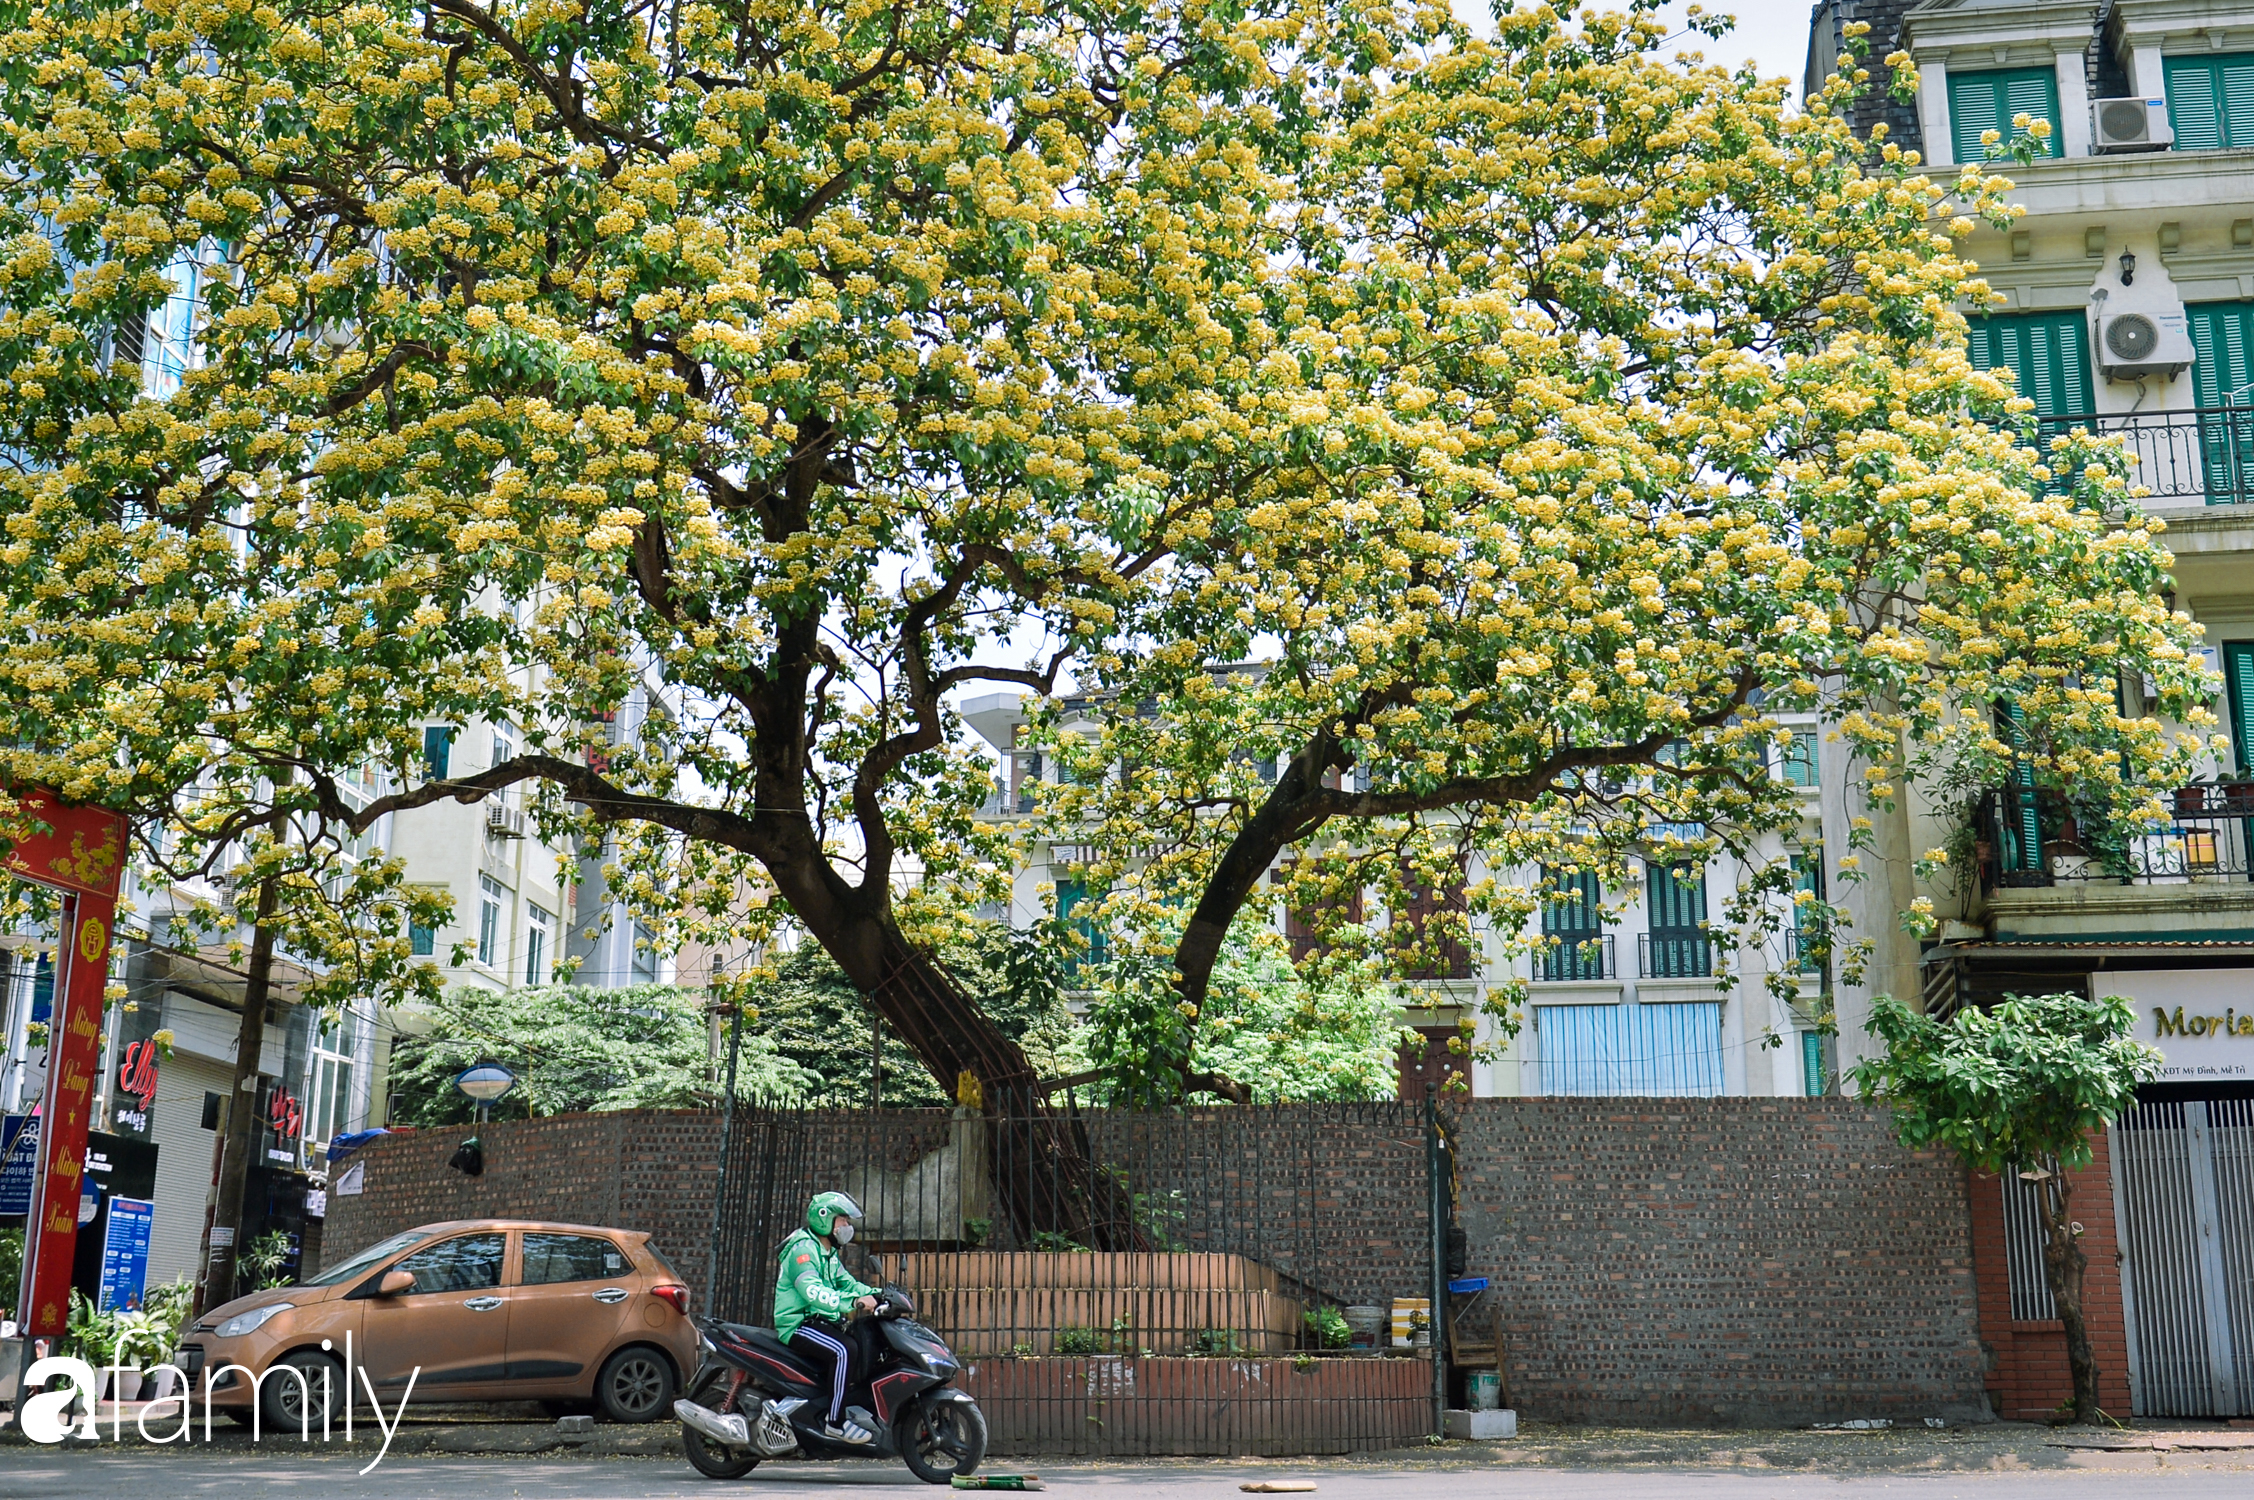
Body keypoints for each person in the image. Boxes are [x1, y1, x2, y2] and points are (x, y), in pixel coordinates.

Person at [774, 1190, 880, 1443]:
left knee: (860, 1344)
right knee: (845, 1350)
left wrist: (880, 1294)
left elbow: (848, 1283)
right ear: (825, 1218)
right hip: (798, 1322)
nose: (847, 1226)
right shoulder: (803, 1250)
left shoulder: (828, 1252)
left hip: (819, 1321)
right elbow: (812, 1292)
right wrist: (852, 1302)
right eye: (843, 1220)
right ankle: (835, 1423)